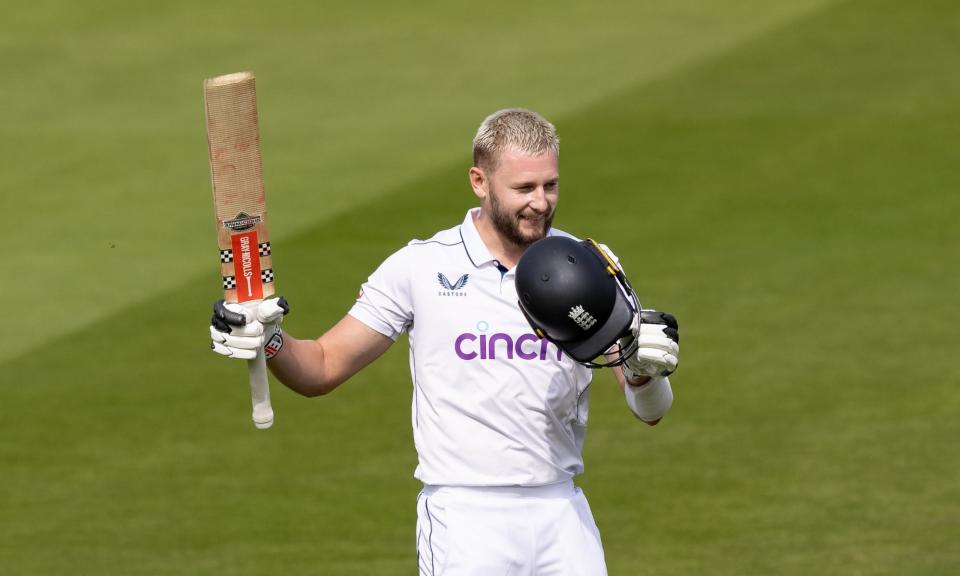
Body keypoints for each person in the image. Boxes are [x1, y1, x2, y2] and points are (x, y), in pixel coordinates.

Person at [209, 108, 680, 575]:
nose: (540, 202)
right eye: (523, 188)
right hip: (466, 521)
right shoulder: (418, 269)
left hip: (563, 512)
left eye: (549, 185)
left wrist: (644, 375)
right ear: (479, 181)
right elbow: (322, 366)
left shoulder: (590, 264)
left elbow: (650, 409)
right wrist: (268, 339)